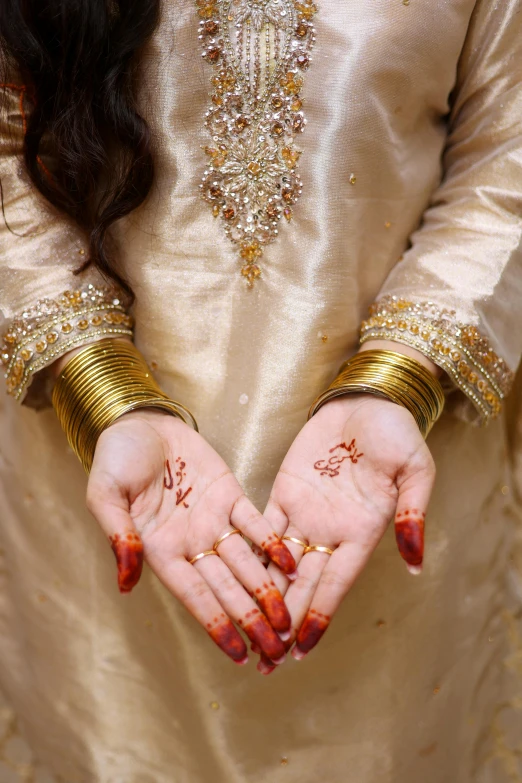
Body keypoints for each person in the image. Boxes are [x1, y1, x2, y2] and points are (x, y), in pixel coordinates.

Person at [0, 0, 521, 781]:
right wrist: (104, 393)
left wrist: (397, 379)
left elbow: (507, 153)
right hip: (106, 489)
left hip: (394, 478)